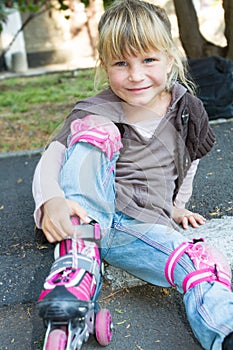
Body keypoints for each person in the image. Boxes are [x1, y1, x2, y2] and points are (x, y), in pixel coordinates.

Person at [32, 1, 233, 349]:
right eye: (121, 63)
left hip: (141, 230)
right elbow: (53, 157)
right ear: (105, 66)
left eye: (148, 60)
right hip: (88, 219)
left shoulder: (187, 109)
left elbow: (192, 157)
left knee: (203, 262)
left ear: (170, 58)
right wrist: (51, 199)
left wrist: (176, 206)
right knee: (95, 130)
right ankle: (77, 260)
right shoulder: (96, 110)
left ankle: (224, 330)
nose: (136, 75)